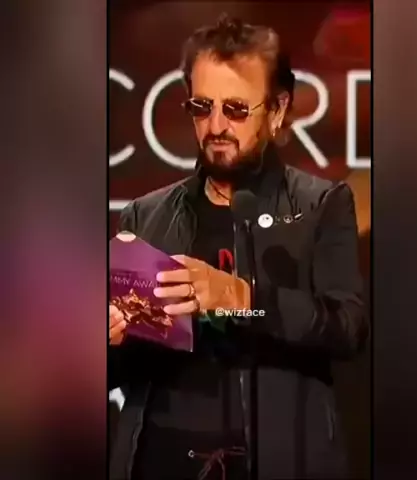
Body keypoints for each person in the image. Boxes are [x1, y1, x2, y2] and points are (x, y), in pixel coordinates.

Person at [109, 13, 368, 480]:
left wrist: (239, 296)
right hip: (161, 460)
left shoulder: (321, 205)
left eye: (235, 109)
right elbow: (121, 372)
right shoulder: (145, 216)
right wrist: (108, 342)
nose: (215, 126)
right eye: (201, 107)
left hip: (277, 461)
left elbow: (347, 328)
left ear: (277, 110)